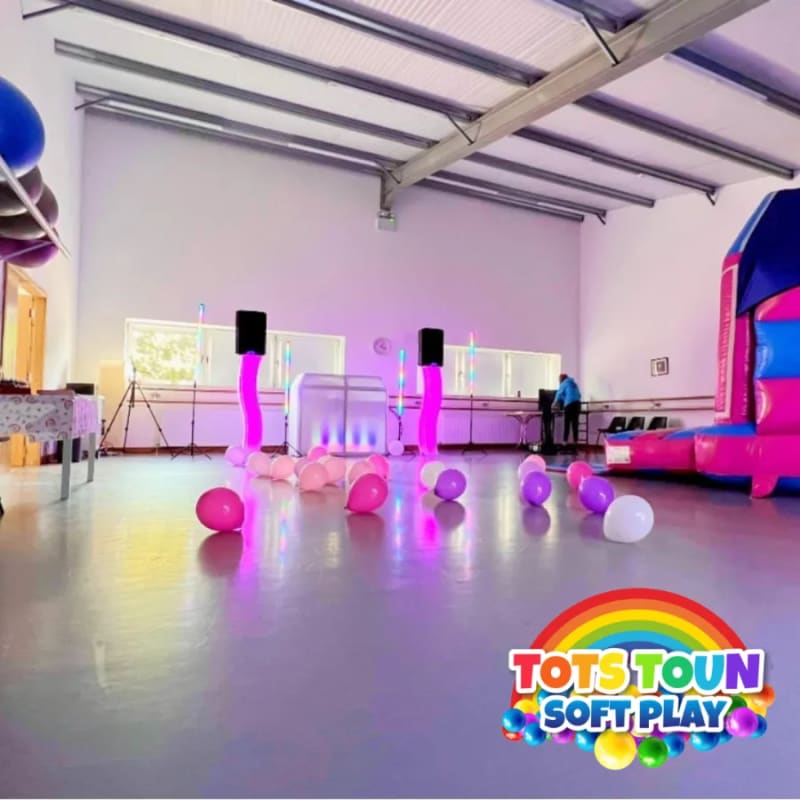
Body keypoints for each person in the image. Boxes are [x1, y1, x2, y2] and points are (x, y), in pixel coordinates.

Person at [554, 372, 582, 444]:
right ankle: (576, 442)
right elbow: (579, 395)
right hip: (577, 404)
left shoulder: (564, 383)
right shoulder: (574, 383)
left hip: (569, 405)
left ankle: (565, 442)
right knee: (575, 424)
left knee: (567, 424)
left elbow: (558, 394)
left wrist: (553, 404)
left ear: (561, 379)